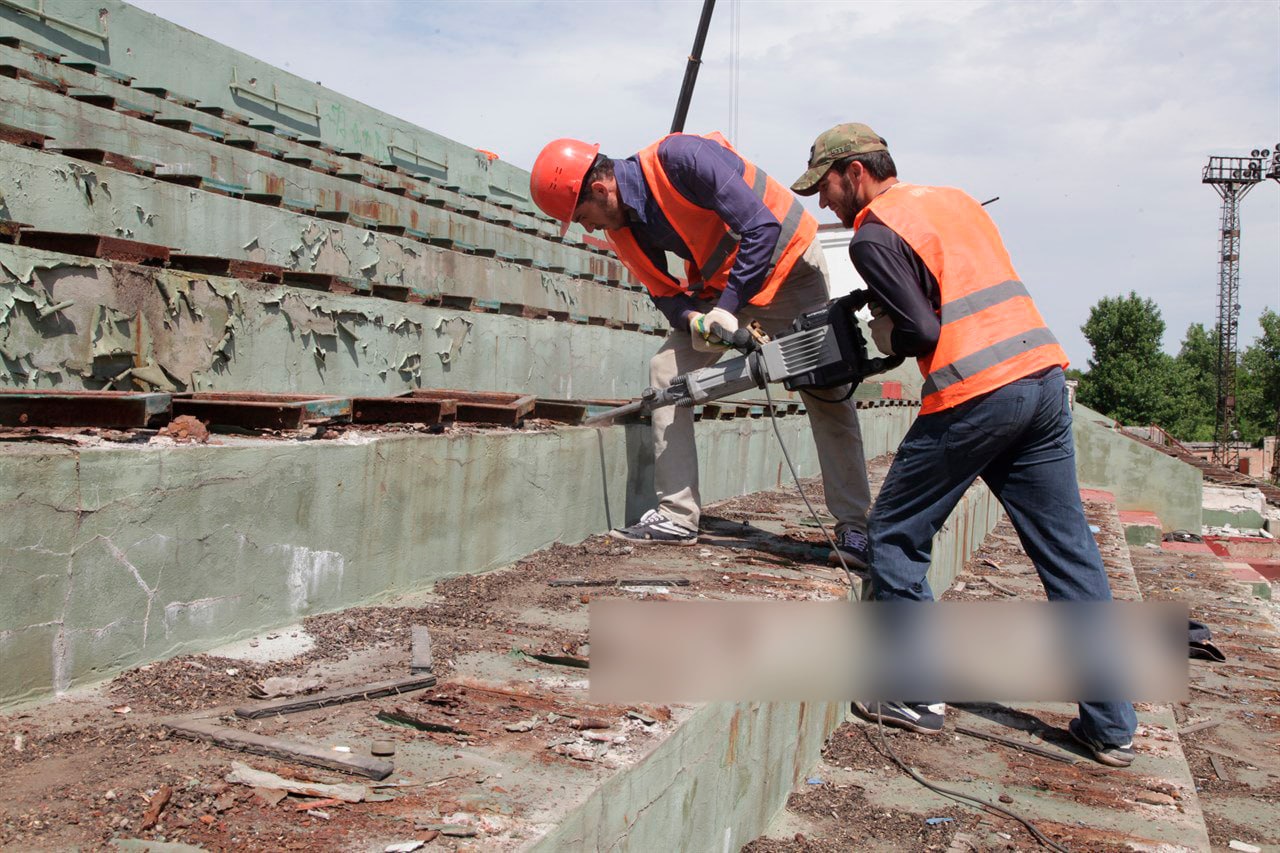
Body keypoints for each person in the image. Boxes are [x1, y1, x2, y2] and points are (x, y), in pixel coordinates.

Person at [790, 123, 1138, 767]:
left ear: (855, 171)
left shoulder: (872, 233)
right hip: (1041, 381)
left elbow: (922, 330)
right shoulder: (953, 200)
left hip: (976, 393)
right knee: (1069, 553)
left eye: (827, 187)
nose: (823, 203)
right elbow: (958, 285)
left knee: (893, 533)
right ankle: (1112, 726)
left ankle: (914, 695)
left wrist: (887, 332)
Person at [530, 133, 872, 567]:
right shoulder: (622, 229)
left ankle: (854, 529)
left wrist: (727, 309)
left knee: (825, 390)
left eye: (582, 216)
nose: (588, 228)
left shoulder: (683, 158)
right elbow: (665, 295)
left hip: (790, 269)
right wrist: (694, 320)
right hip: (730, 289)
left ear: (600, 189)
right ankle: (677, 516)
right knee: (666, 371)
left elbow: (762, 225)